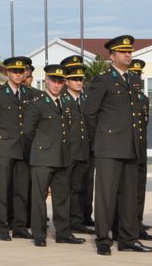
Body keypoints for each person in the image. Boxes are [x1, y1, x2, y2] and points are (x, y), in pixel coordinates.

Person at [83, 35, 152, 256]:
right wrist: (103, 139)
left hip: (131, 147)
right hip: (109, 147)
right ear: (112, 56)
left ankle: (128, 238)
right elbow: (89, 113)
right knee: (106, 196)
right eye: (123, 52)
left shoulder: (132, 79)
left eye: (130, 52)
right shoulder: (102, 80)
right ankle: (103, 239)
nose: (128, 55)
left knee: (129, 197)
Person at [23, 64, 85, 247]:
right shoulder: (37, 104)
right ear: (47, 81)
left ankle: (63, 232)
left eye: (60, 82)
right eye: (53, 81)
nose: (56, 85)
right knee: (39, 198)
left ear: (64, 83)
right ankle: (39, 234)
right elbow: (28, 132)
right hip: (42, 158)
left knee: (62, 198)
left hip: (63, 157)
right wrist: (41, 148)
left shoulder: (67, 103)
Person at [0, 56, 35, 241]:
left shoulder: (29, 94)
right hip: (5, 147)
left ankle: (19, 226)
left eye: (21, 72)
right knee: (3, 189)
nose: (18, 75)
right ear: (7, 73)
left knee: (22, 189)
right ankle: (3, 226)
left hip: (23, 148)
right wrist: (2, 136)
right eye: (15, 71)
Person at [59, 63, 95, 235]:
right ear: (66, 81)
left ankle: (77, 220)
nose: (79, 82)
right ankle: (64, 221)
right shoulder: (62, 99)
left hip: (84, 150)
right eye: (75, 79)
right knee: (65, 189)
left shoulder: (86, 98)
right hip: (67, 151)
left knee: (81, 188)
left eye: (81, 79)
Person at [127, 59, 152, 241]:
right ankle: (122, 225)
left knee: (139, 189)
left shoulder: (144, 100)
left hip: (140, 150)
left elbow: (143, 125)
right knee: (126, 192)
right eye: (133, 74)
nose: (137, 78)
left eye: (139, 75)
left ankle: (137, 224)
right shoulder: (122, 98)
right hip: (126, 150)